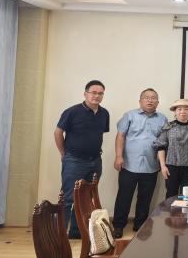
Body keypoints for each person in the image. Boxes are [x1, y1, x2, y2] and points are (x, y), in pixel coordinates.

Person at [54, 80, 110, 238]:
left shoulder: (104, 114)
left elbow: (98, 134)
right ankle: (59, 234)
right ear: (85, 94)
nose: (97, 96)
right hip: (74, 160)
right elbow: (58, 132)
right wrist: (63, 153)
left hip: (95, 161)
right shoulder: (72, 112)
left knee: (86, 197)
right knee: (69, 197)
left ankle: (76, 231)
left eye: (100, 93)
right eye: (94, 93)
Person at [112, 88, 167, 238]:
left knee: (145, 198)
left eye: (153, 98)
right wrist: (118, 156)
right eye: (146, 97)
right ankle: (118, 226)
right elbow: (120, 135)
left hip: (151, 165)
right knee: (124, 197)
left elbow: (163, 142)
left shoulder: (163, 119)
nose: (150, 100)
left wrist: (163, 163)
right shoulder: (129, 115)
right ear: (140, 101)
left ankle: (140, 225)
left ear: (158, 102)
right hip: (129, 164)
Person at [154, 99, 188, 199]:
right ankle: (170, 210)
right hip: (172, 167)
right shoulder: (168, 126)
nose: (182, 112)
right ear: (175, 111)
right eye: (179, 109)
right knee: (171, 194)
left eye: (186, 109)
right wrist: (163, 166)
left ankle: (185, 210)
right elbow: (161, 146)